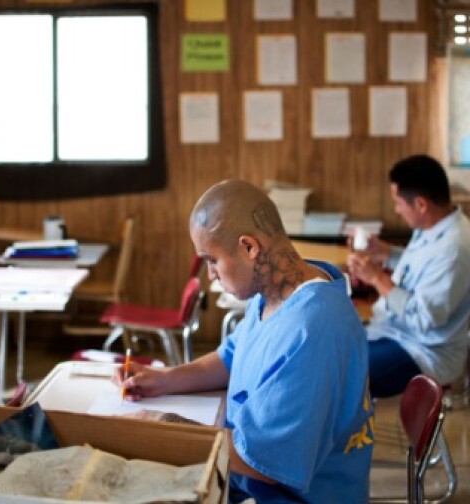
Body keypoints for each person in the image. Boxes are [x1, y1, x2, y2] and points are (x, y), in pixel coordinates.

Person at [115, 180, 373, 503]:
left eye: (212, 260)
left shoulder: (315, 328)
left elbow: (266, 462)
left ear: (249, 248)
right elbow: (231, 357)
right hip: (252, 475)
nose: (210, 274)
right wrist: (163, 380)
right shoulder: (273, 292)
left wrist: (166, 428)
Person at [347, 154, 470, 398]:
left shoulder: (454, 249)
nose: (396, 209)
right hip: (395, 332)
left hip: (425, 350)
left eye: (398, 202)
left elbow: (423, 318)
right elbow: (423, 267)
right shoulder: (433, 226)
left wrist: (376, 278)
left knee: (341, 376)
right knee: (328, 353)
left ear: (421, 205)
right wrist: (385, 252)